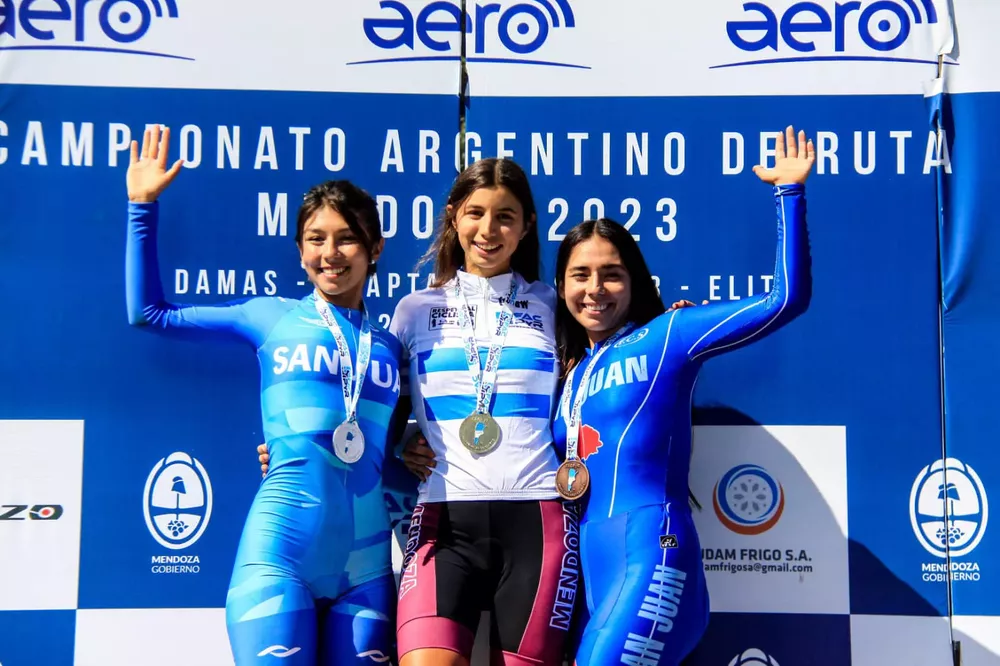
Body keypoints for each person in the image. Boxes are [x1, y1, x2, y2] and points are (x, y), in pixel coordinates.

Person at [125, 125, 410, 665]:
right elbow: (149, 314)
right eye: (316, 239)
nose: (331, 253)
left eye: (346, 237)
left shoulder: (391, 345)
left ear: (374, 248)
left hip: (368, 567)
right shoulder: (269, 316)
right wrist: (142, 206)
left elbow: (393, 449)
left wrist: (407, 451)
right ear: (299, 250)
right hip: (280, 555)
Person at [552, 125, 814, 666]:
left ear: (637, 282)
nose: (595, 289)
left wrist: (789, 193)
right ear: (560, 287)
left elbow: (784, 299)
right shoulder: (570, 374)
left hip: (653, 551)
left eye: (612, 275)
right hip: (590, 571)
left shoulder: (670, 336)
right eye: (580, 275)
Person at [388, 157, 578, 666]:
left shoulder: (555, 306)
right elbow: (368, 405)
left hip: (539, 521)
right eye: (475, 213)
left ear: (527, 225)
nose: (488, 230)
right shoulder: (414, 309)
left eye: (505, 216)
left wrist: (669, 320)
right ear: (453, 216)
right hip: (443, 521)